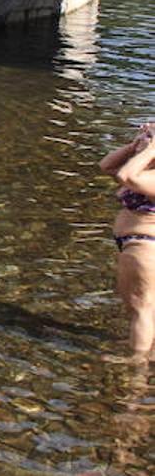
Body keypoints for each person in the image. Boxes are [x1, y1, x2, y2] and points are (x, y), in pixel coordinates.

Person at [100, 122, 155, 358]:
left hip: (145, 244)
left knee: (141, 307)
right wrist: (135, 145)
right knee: (141, 307)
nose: (144, 135)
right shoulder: (146, 171)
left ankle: (137, 370)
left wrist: (151, 149)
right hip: (136, 244)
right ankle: (146, 346)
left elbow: (126, 175)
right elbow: (106, 166)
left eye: (148, 133)